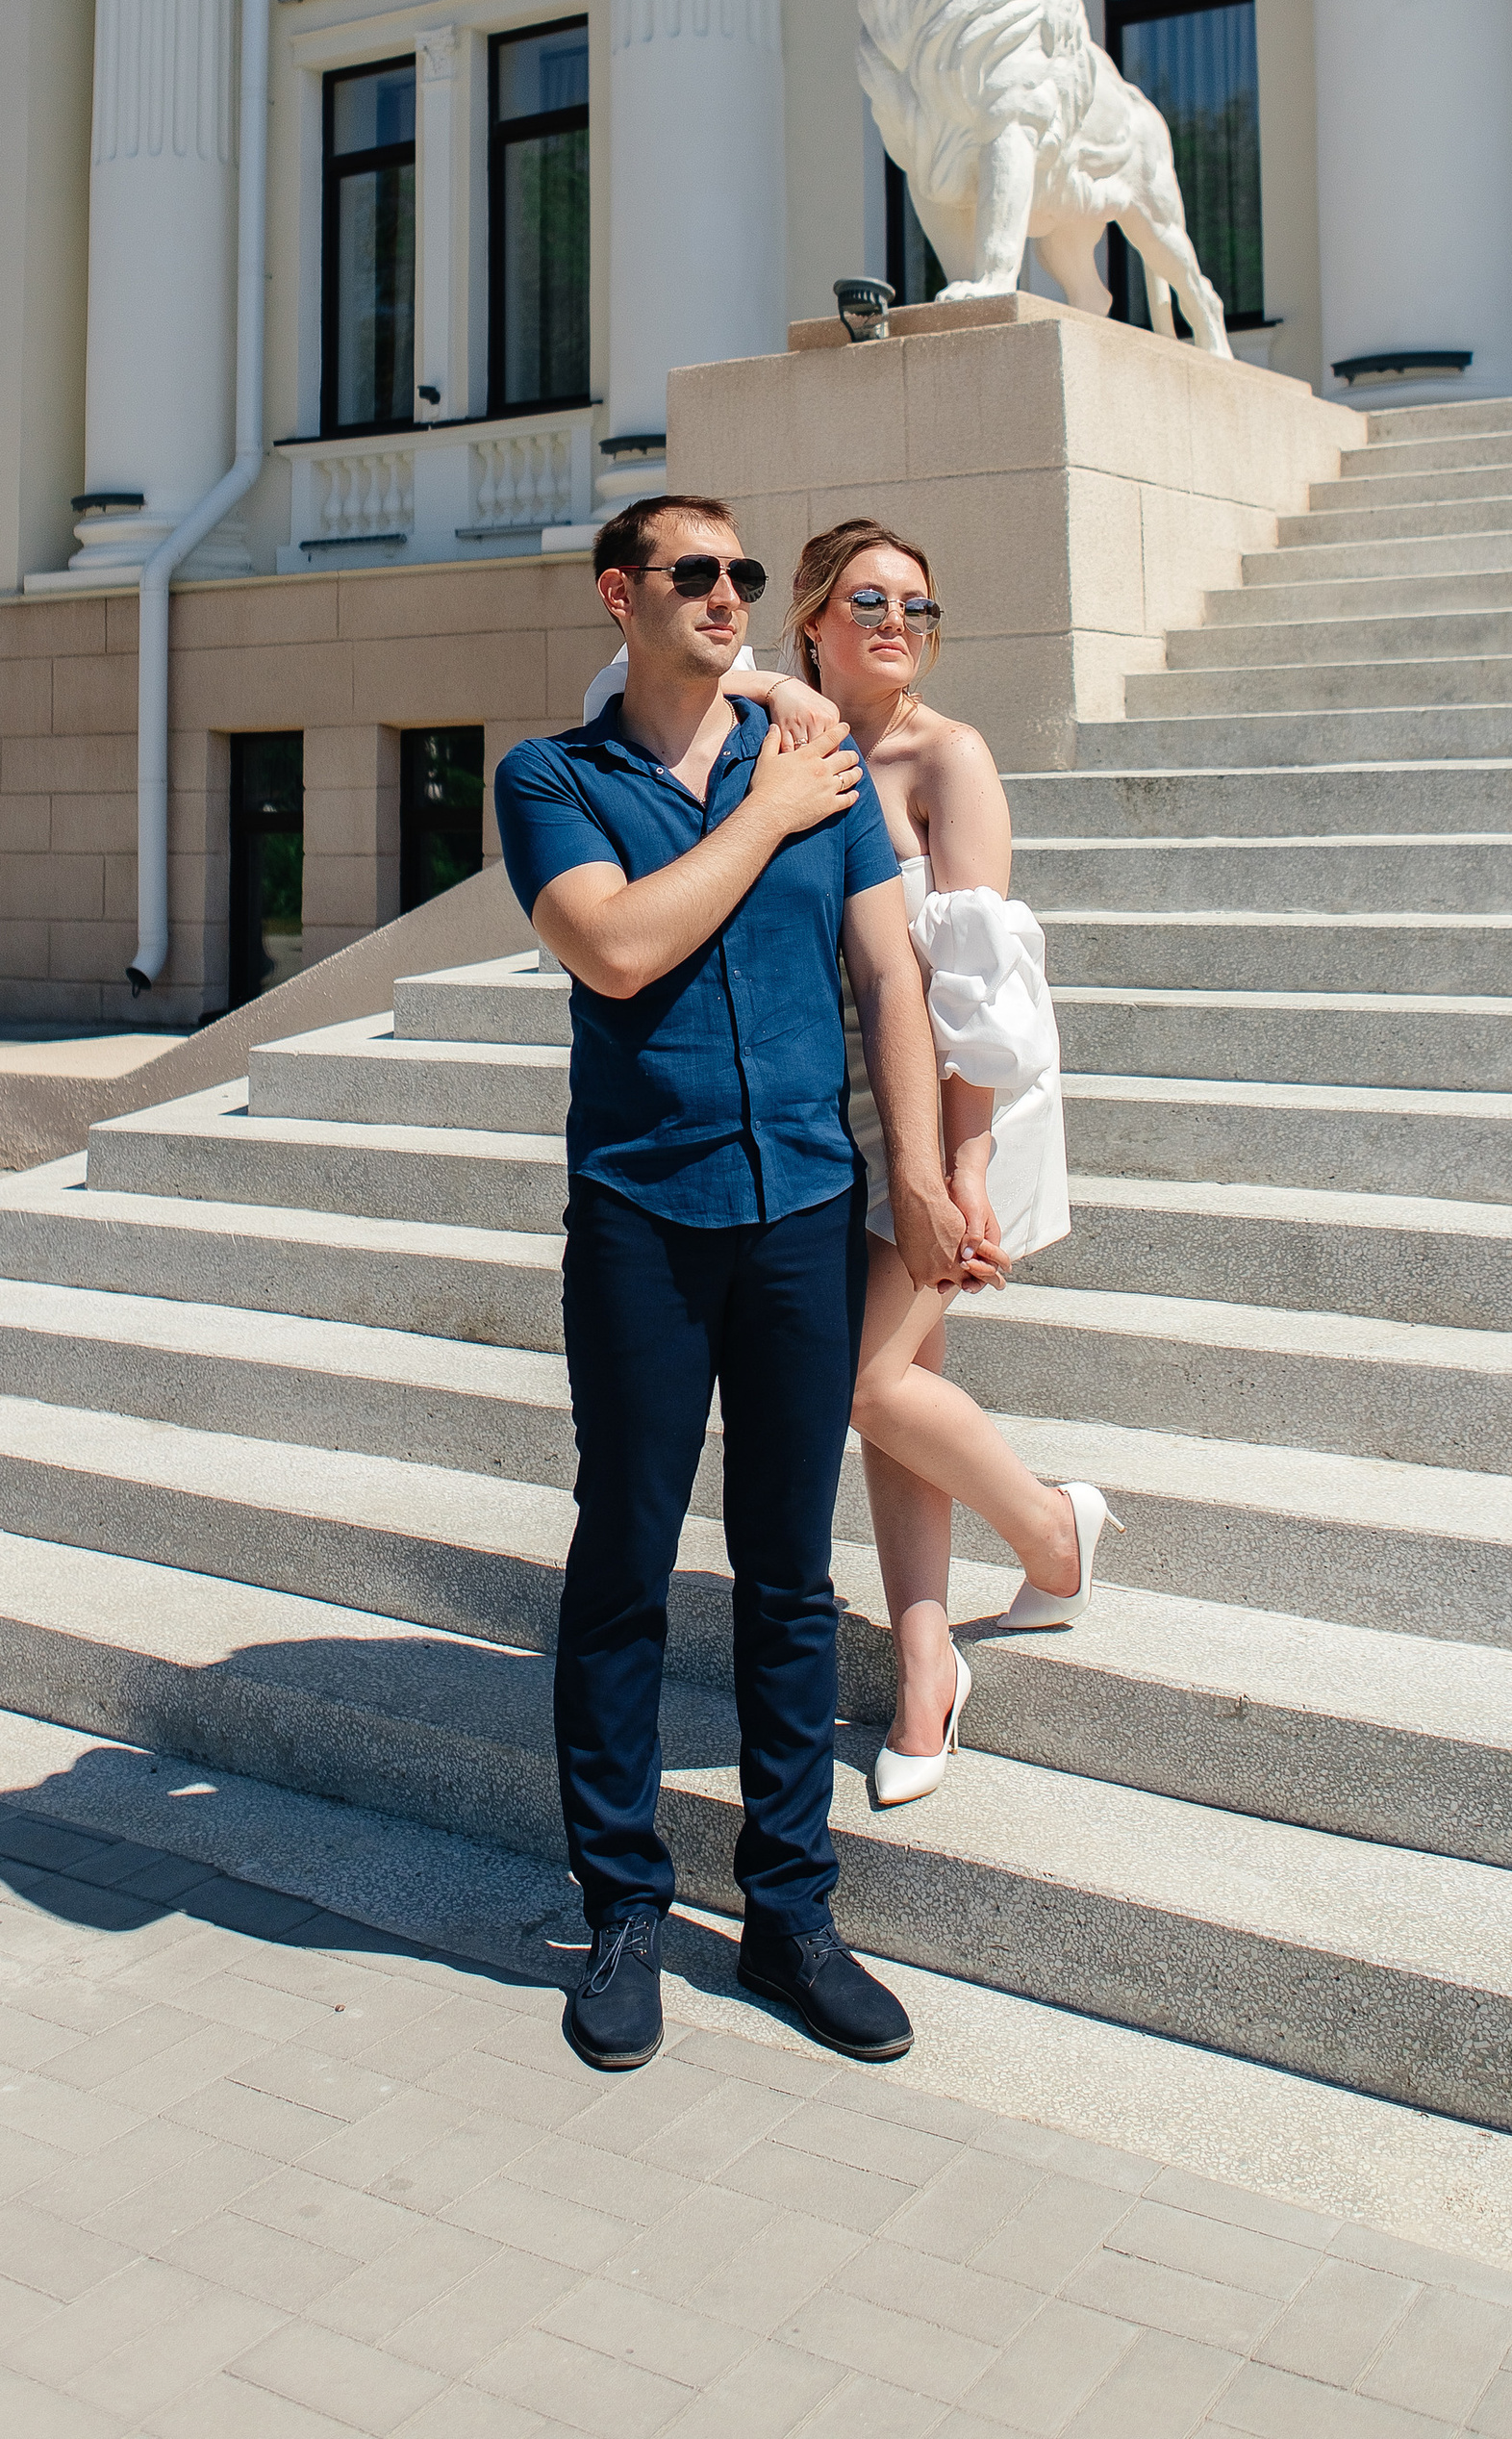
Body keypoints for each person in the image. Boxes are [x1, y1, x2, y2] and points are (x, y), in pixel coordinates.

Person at [492, 495, 976, 2079]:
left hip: (802, 1211)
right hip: (642, 1215)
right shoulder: (554, 778)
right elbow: (619, 950)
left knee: (785, 1577)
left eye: (745, 577)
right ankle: (623, 1907)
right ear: (620, 597)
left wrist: (913, 1165)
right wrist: (761, 811)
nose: (728, 596)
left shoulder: (819, 760)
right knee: (625, 1558)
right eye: (695, 574)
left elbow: (891, 972)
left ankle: (791, 1911)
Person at [784, 518, 1117, 1806]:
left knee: (867, 1386)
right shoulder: (785, 753)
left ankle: (1049, 1529)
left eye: (917, 608)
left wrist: (966, 1161)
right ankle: (926, 1666)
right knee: (899, 1386)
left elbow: (982, 991)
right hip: (838, 1110)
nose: (894, 623)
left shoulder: (948, 757)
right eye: (865, 599)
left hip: (960, 1111)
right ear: (810, 615)